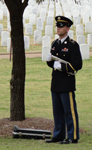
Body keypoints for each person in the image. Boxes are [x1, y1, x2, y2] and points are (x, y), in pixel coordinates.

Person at [45, 16, 82, 144]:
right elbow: (52, 64)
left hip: (66, 83)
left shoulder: (72, 45)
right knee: (57, 112)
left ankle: (73, 137)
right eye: (57, 26)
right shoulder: (55, 44)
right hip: (55, 83)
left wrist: (62, 67)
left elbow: (78, 64)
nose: (58, 28)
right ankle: (58, 135)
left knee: (69, 112)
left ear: (67, 28)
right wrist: (50, 61)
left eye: (61, 26)